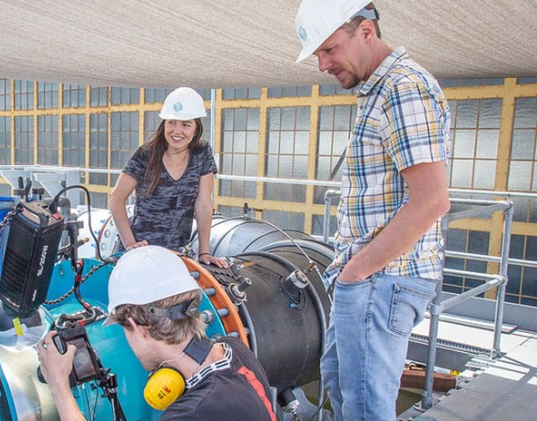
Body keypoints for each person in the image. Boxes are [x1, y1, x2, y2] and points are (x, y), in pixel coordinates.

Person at [294, 1, 451, 420]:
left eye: (329, 50)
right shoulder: (378, 90)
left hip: (383, 280)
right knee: (340, 386)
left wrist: (356, 272)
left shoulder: (402, 88)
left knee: (365, 407)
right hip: (370, 279)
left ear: (366, 31)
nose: (323, 65)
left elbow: (432, 200)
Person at [37, 245, 276, 420]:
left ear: (138, 328)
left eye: (125, 332)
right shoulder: (233, 350)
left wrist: (58, 384)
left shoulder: (191, 413)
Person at [108, 87, 227, 268]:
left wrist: (204, 253)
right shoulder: (145, 155)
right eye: (172, 122)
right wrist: (130, 244)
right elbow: (116, 199)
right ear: (164, 124)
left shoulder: (202, 153)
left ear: (196, 129)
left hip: (176, 253)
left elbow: (203, 204)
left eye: (185, 125)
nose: (177, 131)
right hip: (140, 252)